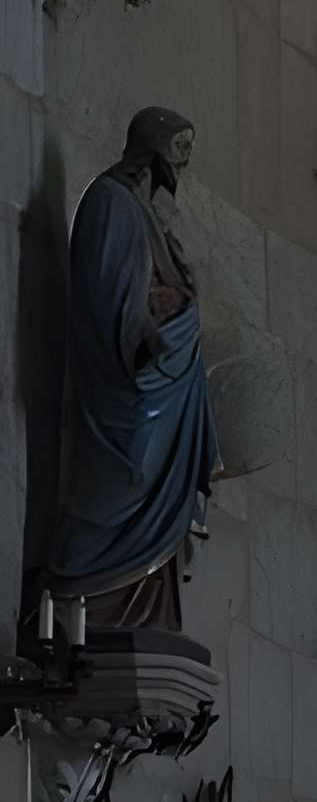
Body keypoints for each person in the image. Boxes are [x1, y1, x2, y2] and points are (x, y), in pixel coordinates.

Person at [36, 108, 217, 636]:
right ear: (152, 146)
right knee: (125, 475)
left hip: (167, 385)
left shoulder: (145, 212)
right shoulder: (110, 202)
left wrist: (179, 309)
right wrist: (164, 323)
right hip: (131, 384)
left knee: (162, 494)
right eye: (177, 147)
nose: (182, 160)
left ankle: (148, 611)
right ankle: (87, 602)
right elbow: (108, 300)